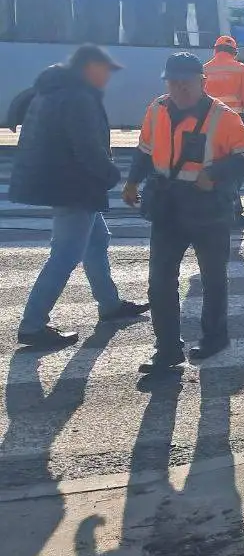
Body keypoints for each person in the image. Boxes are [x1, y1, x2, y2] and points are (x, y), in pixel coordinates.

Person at [122, 52, 244, 373]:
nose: (180, 88)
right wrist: (132, 182)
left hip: (208, 210)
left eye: (186, 82)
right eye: (173, 82)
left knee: (213, 279)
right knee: (159, 282)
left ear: (202, 82)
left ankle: (215, 337)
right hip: (168, 208)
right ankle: (168, 349)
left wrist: (214, 174)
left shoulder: (223, 117)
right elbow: (144, 150)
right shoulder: (157, 109)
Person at [9, 45, 150, 350]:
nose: (107, 77)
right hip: (74, 186)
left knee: (97, 240)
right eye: (105, 70)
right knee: (65, 255)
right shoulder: (77, 97)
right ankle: (32, 325)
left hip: (63, 181)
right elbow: (87, 148)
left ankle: (110, 305)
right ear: (88, 67)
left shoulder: (55, 89)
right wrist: (112, 175)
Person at [204, 36, 244, 229]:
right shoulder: (241, 69)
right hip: (235, 124)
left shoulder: (204, 69)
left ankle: (216, 209)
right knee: (235, 170)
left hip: (207, 126)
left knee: (211, 167)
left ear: (215, 50)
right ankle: (232, 212)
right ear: (234, 52)